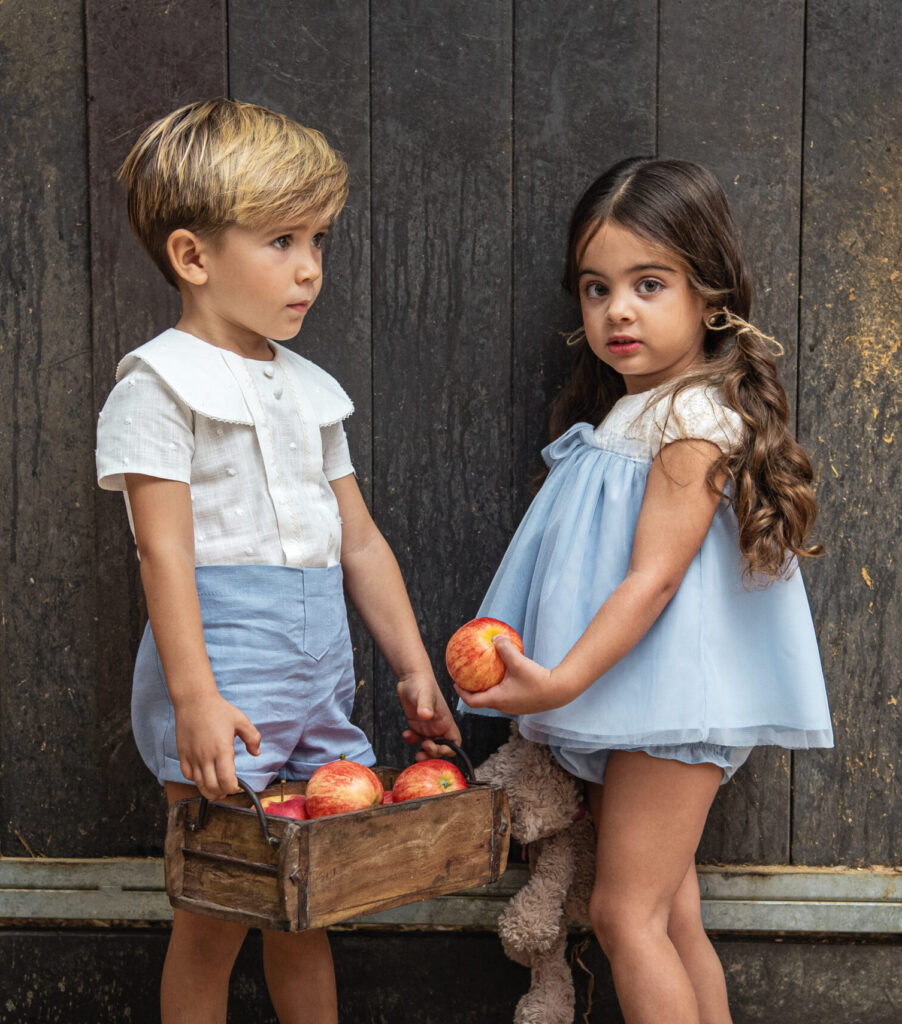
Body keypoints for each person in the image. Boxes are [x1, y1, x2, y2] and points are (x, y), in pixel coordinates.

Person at [96, 98, 460, 1024]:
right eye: (282, 240)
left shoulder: (311, 391)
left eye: (319, 240)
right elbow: (164, 553)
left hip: (317, 678)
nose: (310, 269)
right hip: (228, 682)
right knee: (214, 911)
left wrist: (413, 668)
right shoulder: (159, 383)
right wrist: (195, 699)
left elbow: (361, 541)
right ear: (194, 255)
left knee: (310, 906)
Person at [458, 157, 833, 1024]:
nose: (616, 309)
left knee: (625, 916)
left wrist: (557, 683)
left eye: (648, 283)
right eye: (596, 288)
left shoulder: (690, 418)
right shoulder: (641, 410)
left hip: (671, 699)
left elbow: (654, 580)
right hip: (645, 698)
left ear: (710, 298)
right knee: (667, 913)